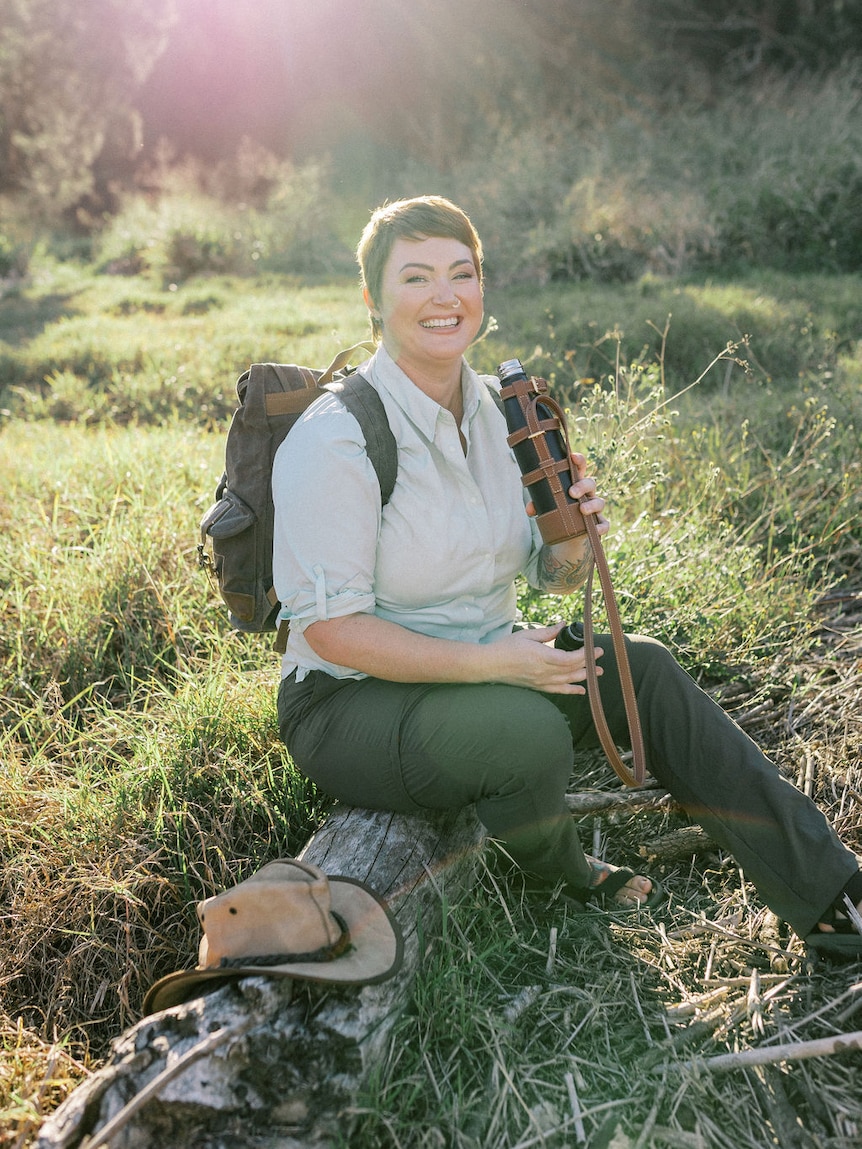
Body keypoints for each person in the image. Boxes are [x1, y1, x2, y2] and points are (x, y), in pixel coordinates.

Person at [272, 194, 861, 953]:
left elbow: (551, 574)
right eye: (416, 277)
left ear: (483, 287)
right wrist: (497, 662)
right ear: (372, 299)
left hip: (482, 664)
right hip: (349, 703)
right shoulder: (338, 435)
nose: (445, 296)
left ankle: (832, 896)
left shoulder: (503, 410)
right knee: (523, 731)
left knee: (639, 667)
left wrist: (573, 532)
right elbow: (333, 629)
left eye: (462, 272)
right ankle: (559, 875)